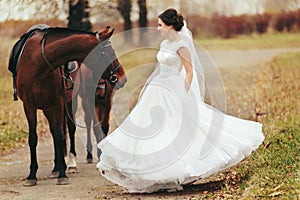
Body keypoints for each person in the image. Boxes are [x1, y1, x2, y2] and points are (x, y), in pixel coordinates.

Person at [96, 8, 264, 193]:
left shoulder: (181, 45)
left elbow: (190, 71)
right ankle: (152, 174)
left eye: (160, 25)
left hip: (173, 89)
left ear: (169, 26)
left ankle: (170, 172)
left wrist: (183, 93)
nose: (158, 29)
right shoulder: (164, 44)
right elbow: (160, 68)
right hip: (158, 88)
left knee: (173, 129)